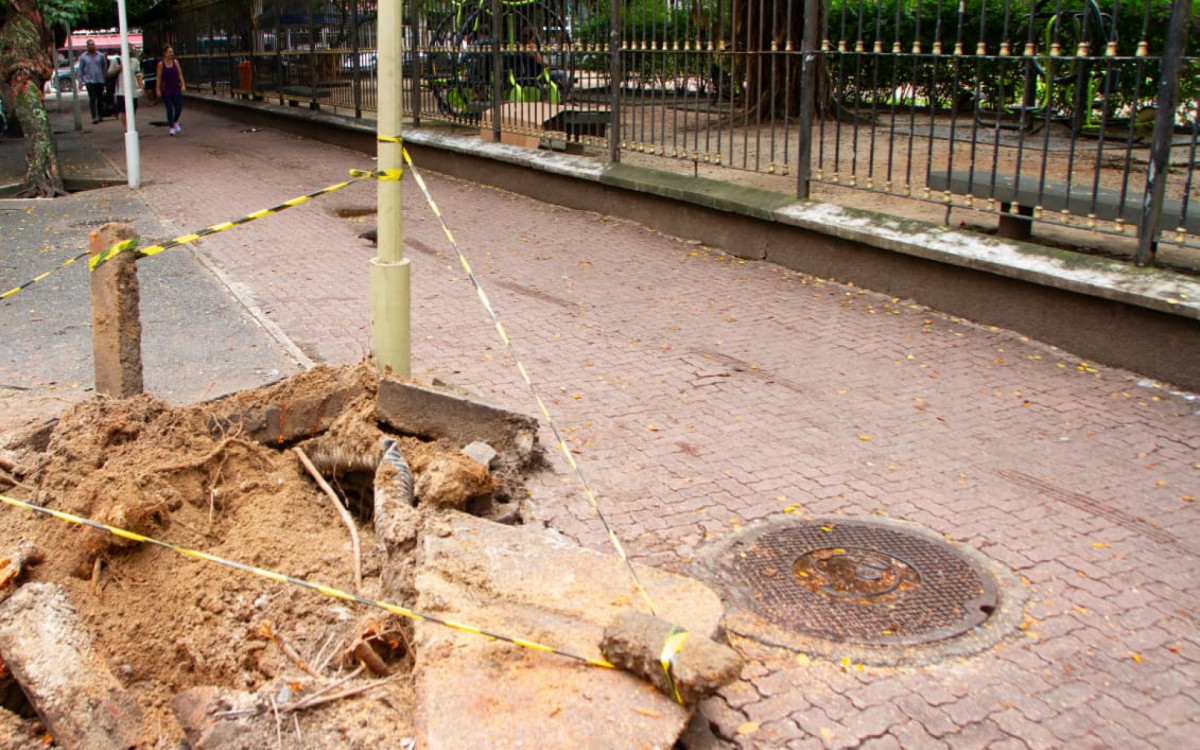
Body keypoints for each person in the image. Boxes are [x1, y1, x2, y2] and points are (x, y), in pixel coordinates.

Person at [76, 39, 108, 124]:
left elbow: (104, 68)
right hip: (89, 81)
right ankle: (94, 117)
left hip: (99, 80)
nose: (92, 46)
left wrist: (105, 78)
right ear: (87, 46)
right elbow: (80, 70)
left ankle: (100, 115)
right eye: (90, 45)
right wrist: (80, 82)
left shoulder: (100, 56)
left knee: (100, 98)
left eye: (93, 44)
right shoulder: (83, 57)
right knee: (92, 99)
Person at [157, 45, 185, 136]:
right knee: (169, 108)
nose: (171, 54)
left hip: (176, 87)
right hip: (167, 88)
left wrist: (183, 84)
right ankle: (171, 127)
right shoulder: (161, 64)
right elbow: (159, 77)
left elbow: (180, 74)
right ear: (164, 53)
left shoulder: (175, 62)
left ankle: (175, 121)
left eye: (172, 52)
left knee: (178, 107)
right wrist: (157, 89)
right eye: (169, 52)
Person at [112, 51, 144, 129]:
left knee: (132, 110)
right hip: (121, 91)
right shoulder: (117, 60)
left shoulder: (135, 62)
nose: (130, 51)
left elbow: (138, 75)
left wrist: (141, 87)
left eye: (131, 49)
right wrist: (118, 69)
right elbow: (109, 73)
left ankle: (130, 125)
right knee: (124, 111)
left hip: (132, 91)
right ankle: (126, 128)